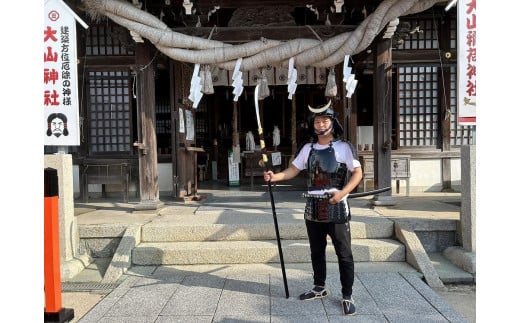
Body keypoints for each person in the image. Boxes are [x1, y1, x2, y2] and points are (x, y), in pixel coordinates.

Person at [263, 100, 362, 316]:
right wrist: (275, 177)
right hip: (313, 207)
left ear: (333, 123)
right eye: (317, 121)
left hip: (336, 206)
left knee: (344, 254)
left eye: (324, 120)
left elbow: (357, 173)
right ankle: (320, 287)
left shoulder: (344, 147)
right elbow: (292, 170)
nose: (320, 124)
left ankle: (347, 294)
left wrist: (343, 193)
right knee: (316, 251)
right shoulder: (307, 148)